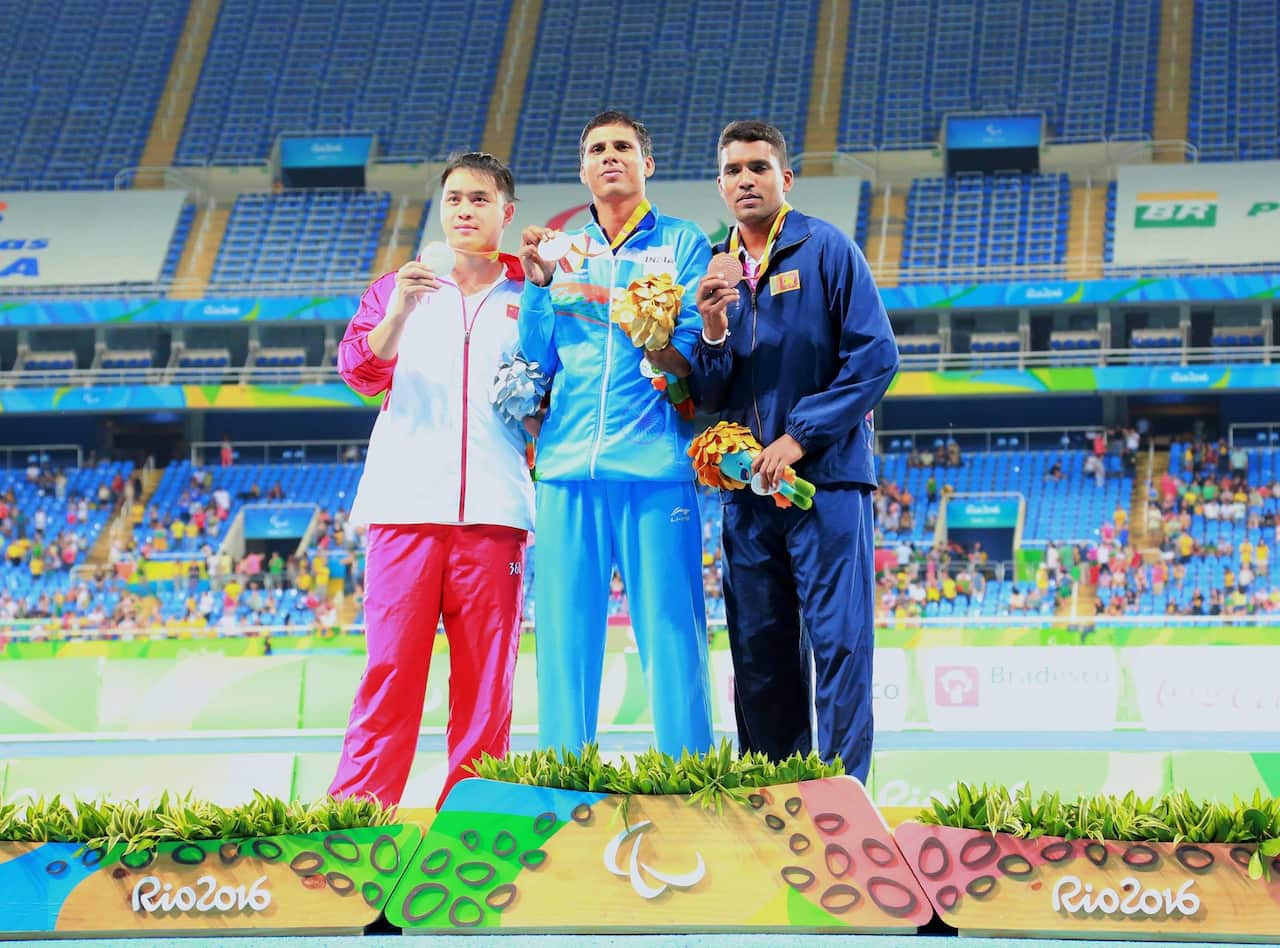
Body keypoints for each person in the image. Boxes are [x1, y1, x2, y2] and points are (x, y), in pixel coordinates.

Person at [688, 121, 898, 782]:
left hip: (825, 485)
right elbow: (709, 392)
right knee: (758, 652)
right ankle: (773, 800)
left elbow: (875, 358)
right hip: (747, 494)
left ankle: (843, 801)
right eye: (733, 170)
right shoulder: (713, 268)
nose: (745, 179)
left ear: (785, 178)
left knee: (839, 645)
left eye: (758, 167)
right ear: (720, 185)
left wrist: (800, 435)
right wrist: (712, 329)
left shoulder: (826, 249)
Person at [328, 152, 536, 809]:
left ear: (507, 212)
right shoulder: (397, 287)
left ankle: (474, 820)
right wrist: (399, 311)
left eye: (479, 199)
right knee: (390, 671)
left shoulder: (533, 293)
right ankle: (358, 819)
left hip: (496, 516)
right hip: (404, 510)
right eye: (453, 199)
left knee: (486, 682)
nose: (464, 210)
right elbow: (359, 374)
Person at [516, 110, 714, 757]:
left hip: (655, 465)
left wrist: (658, 341)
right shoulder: (562, 251)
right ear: (583, 170)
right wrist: (538, 285)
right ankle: (563, 777)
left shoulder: (683, 242)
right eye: (597, 148)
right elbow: (535, 358)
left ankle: (691, 777)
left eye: (623, 147)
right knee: (563, 641)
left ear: (646, 163)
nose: (610, 157)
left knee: (673, 635)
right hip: (566, 468)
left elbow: (690, 353)